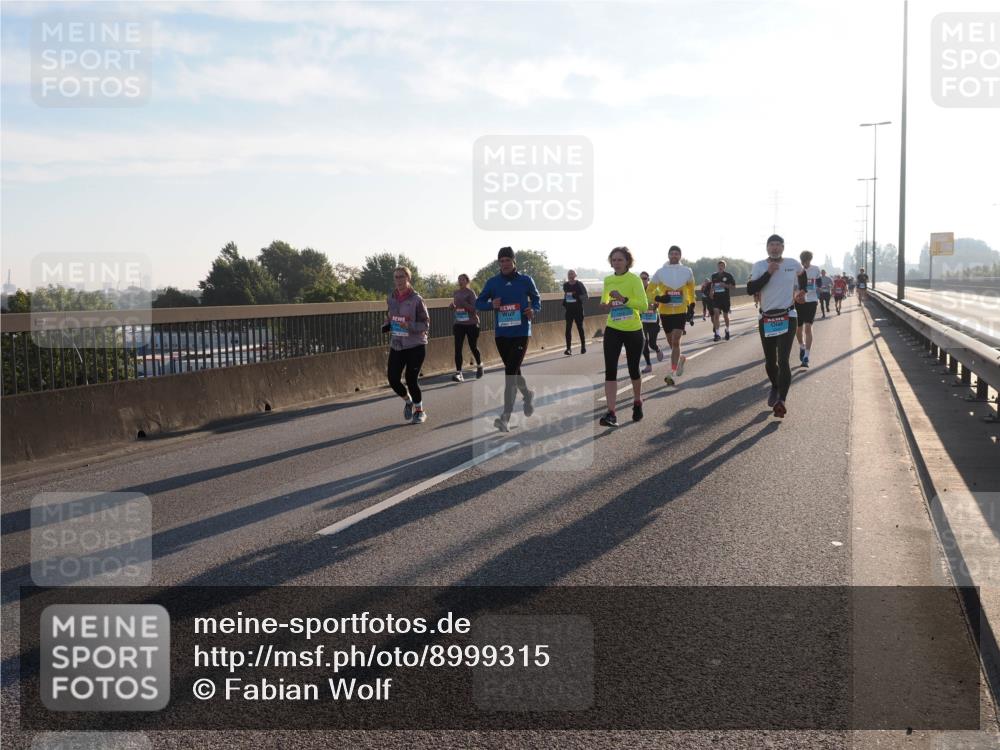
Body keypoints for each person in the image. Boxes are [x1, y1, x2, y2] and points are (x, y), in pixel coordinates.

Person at [476, 247, 542, 432]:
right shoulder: (492, 283)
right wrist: (491, 304)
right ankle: (528, 395)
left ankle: (505, 416)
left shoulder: (525, 280)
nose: (504, 264)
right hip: (502, 335)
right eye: (501, 261)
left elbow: (537, 299)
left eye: (507, 260)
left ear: (514, 262)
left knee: (510, 373)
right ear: (499, 263)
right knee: (514, 371)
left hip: (521, 333)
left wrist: (533, 310)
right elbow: (478, 303)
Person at [747, 234, 805, 418]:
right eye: (771, 245)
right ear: (766, 247)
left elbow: (802, 275)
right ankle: (775, 385)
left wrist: (802, 291)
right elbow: (750, 289)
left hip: (788, 315)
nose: (774, 248)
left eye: (778, 245)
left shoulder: (792, 263)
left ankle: (782, 400)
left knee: (784, 359)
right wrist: (768, 273)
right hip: (767, 319)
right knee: (770, 362)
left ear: (783, 247)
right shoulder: (759, 266)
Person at [597, 247, 648, 427]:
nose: (616, 262)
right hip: (613, 328)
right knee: (610, 369)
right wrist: (606, 305)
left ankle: (637, 401)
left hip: (633, 329)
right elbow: (604, 302)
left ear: (627, 261)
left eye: (620, 259)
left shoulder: (634, 280)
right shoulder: (608, 280)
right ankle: (611, 413)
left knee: (633, 368)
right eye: (614, 259)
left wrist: (624, 299)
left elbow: (643, 305)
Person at [385, 266, 430, 424]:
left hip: (416, 345)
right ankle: (408, 401)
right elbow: (390, 316)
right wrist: (387, 324)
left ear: (408, 278)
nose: (398, 280)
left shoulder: (417, 299)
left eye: (402, 277)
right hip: (397, 344)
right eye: (396, 277)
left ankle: (420, 411)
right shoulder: (391, 298)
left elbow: (425, 324)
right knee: (393, 379)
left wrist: (409, 326)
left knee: (411, 379)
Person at [647, 245, 695, 386]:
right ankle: (680, 359)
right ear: (668, 255)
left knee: (675, 341)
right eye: (672, 253)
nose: (674, 256)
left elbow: (691, 290)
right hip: (665, 312)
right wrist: (659, 299)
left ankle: (671, 373)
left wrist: (692, 305)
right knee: (671, 342)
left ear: (680, 256)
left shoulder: (687, 271)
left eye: (677, 254)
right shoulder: (660, 272)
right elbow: (649, 291)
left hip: (680, 311)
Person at [450, 273, 483, 382]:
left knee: (473, 346)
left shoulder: (471, 293)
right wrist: (453, 307)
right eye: (459, 279)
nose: (460, 281)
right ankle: (459, 373)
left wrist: (464, 303)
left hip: (471, 324)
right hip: (459, 324)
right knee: (457, 349)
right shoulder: (456, 293)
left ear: (467, 281)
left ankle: (479, 365)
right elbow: (457, 309)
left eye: (462, 279)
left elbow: (475, 309)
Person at [795, 250, 821, 368]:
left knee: (808, 328)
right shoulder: (797, 270)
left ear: (810, 260)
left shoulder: (816, 269)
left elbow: (819, 284)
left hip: (811, 301)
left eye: (807, 261)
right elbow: (794, 286)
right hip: (799, 302)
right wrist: (798, 295)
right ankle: (801, 346)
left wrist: (814, 287)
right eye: (803, 262)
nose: (805, 264)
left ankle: (806, 356)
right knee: (798, 328)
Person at [639, 271, 663, 374]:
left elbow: (660, 300)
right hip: (642, 319)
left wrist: (655, 305)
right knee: (644, 342)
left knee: (652, 344)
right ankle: (648, 365)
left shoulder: (654, 289)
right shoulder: (637, 290)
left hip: (653, 318)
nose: (643, 280)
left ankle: (657, 349)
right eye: (641, 278)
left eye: (645, 278)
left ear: (648, 279)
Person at [709, 259, 737, 341]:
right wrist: (711, 292)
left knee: (725, 316)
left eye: (722, 266)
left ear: (724, 267)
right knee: (716, 315)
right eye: (719, 266)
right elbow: (712, 285)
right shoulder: (714, 276)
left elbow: (734, 287)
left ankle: (727, 330)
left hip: (725, 299)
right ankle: (717, 334)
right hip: (716, 298)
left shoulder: (728, 275)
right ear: (717, 266)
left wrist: (725, 285)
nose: (720, 267)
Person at [562, 269, 589, 355]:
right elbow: (566, 295)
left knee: (580, 327)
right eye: (569, 274)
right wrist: (564, 302)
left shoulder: (579, 284)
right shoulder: (565, 285)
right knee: (568, 329)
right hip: (569, 310)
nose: (570, 275)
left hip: (578, 309)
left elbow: (586, 297)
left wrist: (576, 296)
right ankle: (568, 349)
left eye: (572, 274)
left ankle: (583, 347)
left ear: (575, 275)